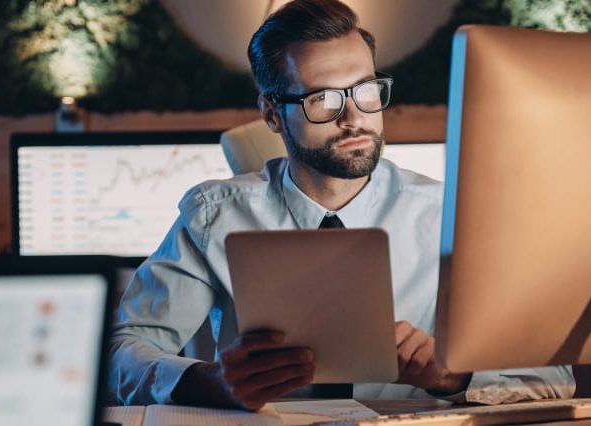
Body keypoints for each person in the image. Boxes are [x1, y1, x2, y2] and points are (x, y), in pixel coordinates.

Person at [109, 0, 574, 410]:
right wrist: (213, 382)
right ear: (271, 112)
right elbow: (120, 350)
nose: (355, 118)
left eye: (365, 89)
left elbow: (554, 378)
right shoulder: (214, 213)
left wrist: (451, 377)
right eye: (322, 99)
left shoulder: (450, 218)